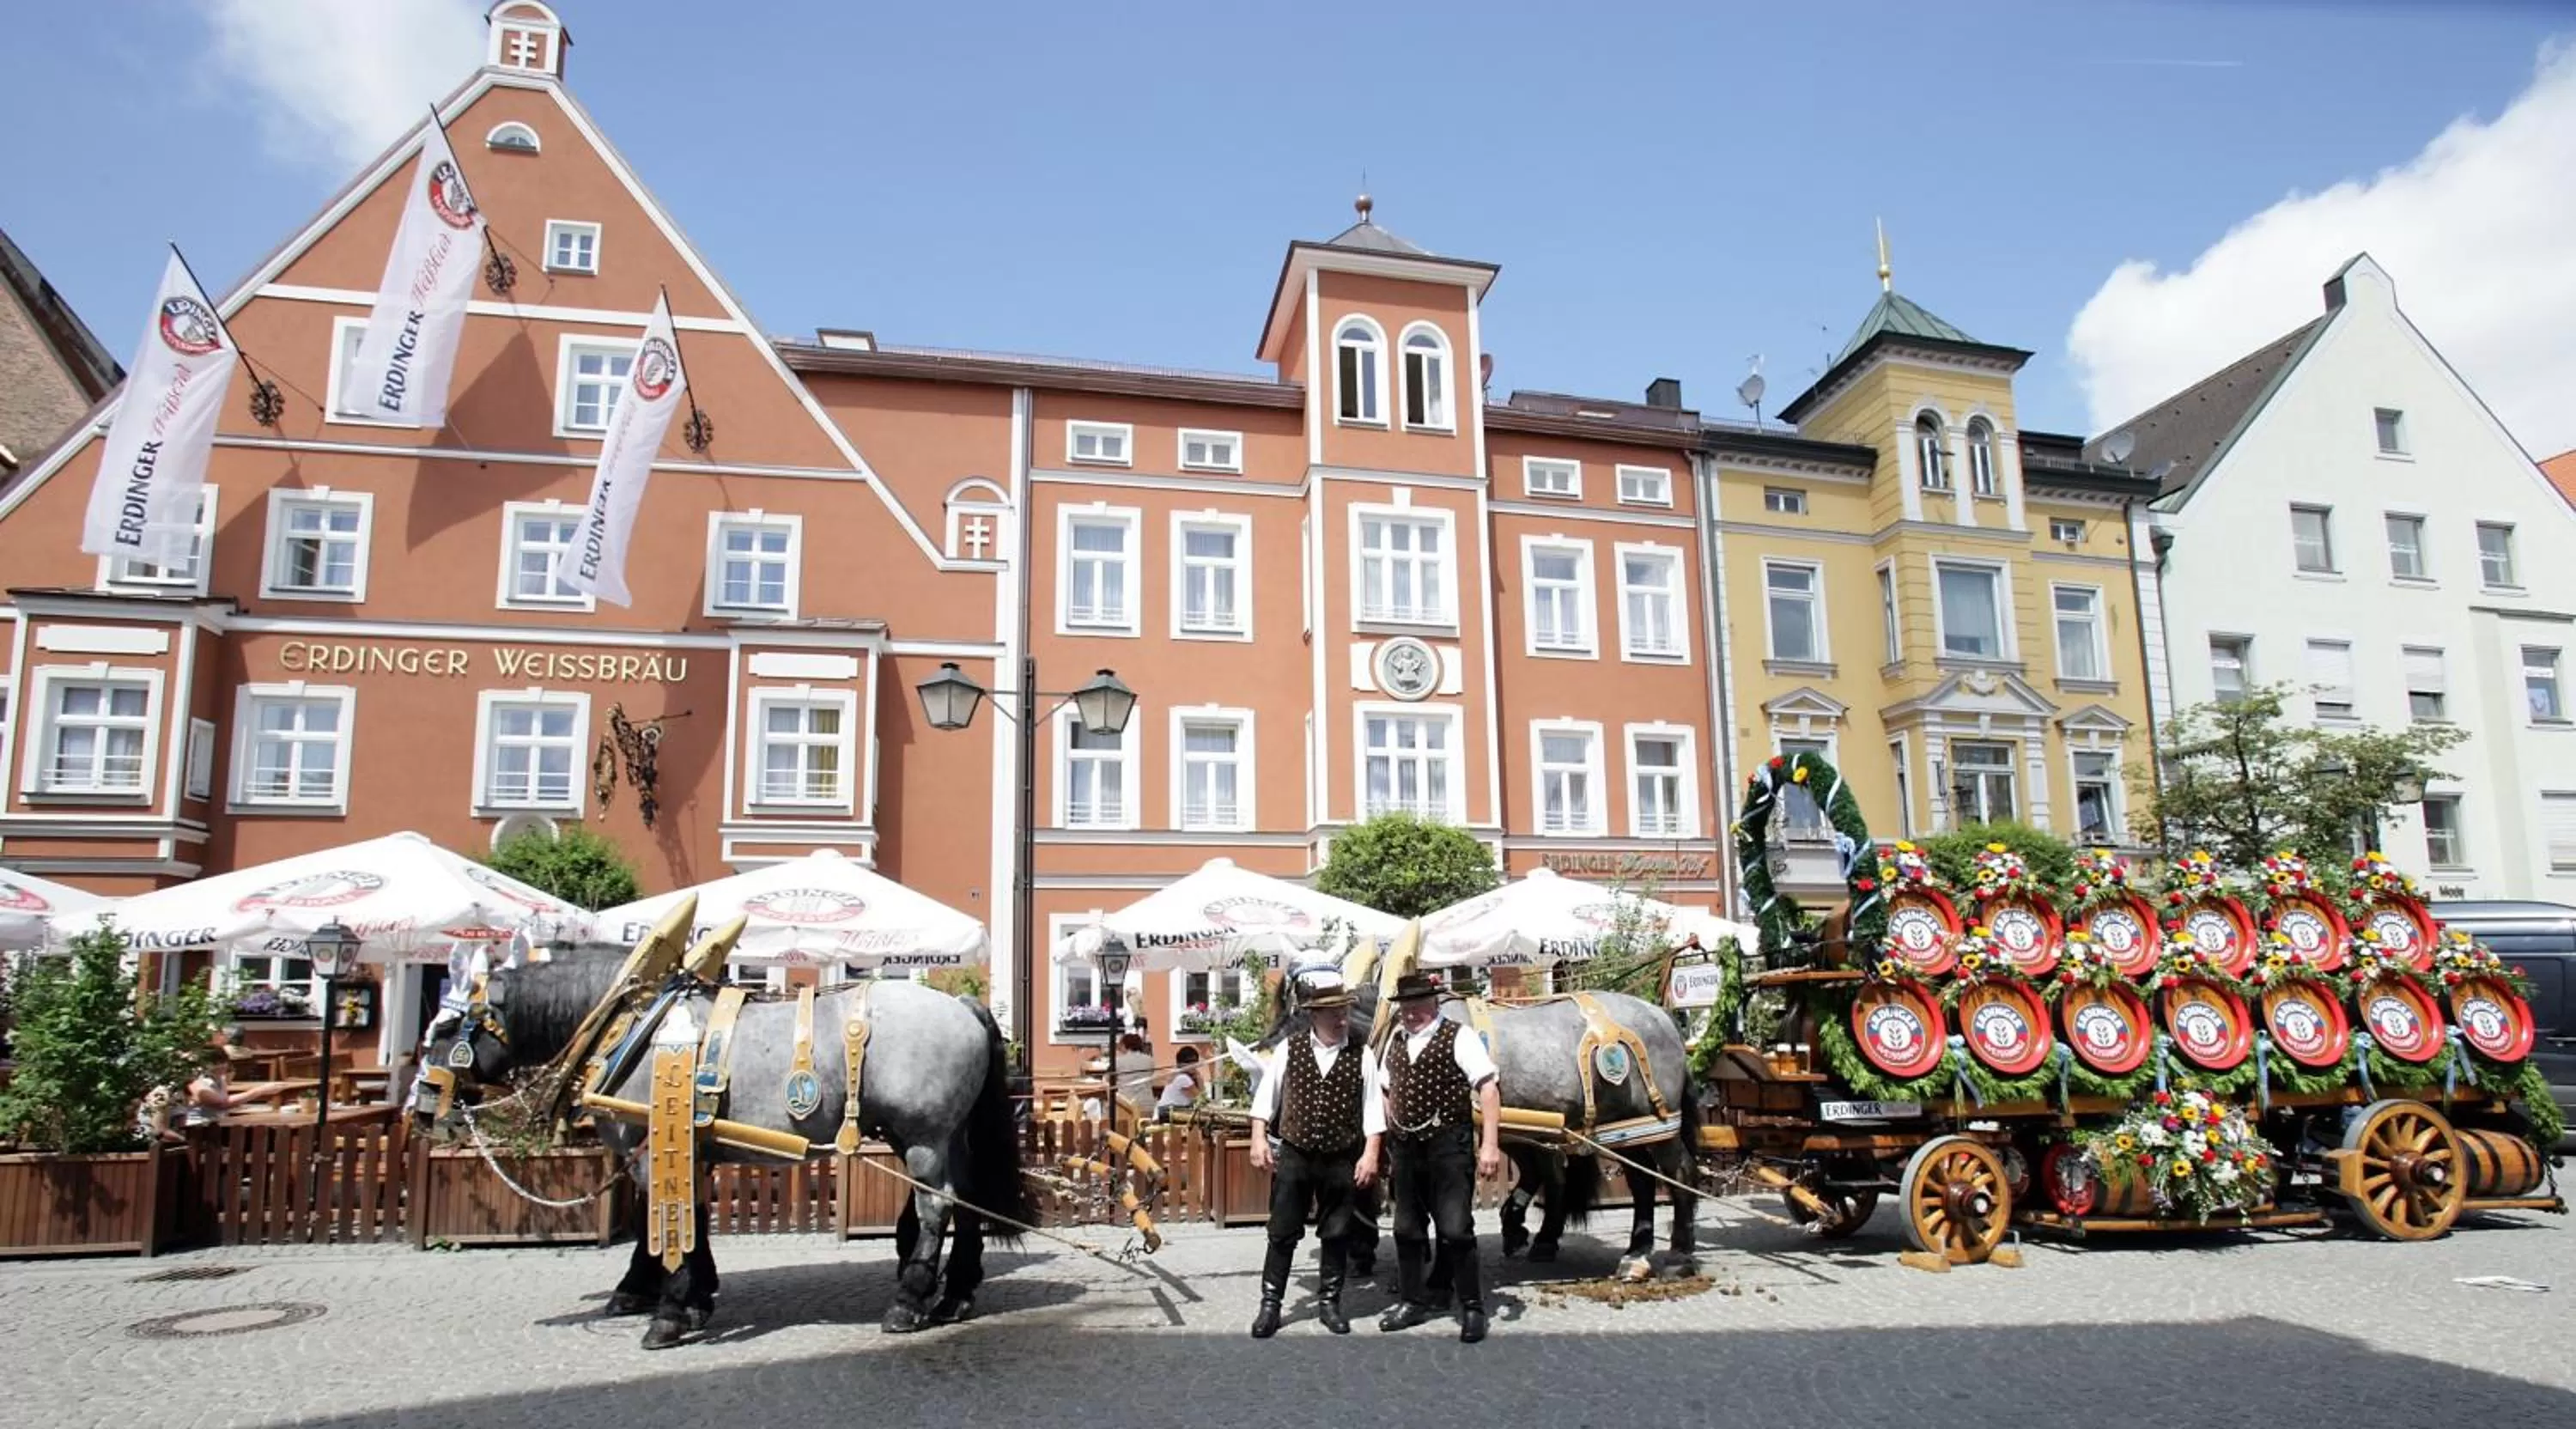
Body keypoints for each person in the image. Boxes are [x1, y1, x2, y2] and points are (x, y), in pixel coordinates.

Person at [1246, 970, 1382, 1338]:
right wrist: (1258, 1138)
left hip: (1341, 1156)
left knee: (1336, 1233)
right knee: (1282, 1231)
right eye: (1334, 1013)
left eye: (1344, 1012)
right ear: (1314, 1015)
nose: (1342, 1019)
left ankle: (1330, 1304)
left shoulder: (1362, 1053)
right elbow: (1266, 1099)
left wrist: (1371, 1154)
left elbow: (1373, 1110)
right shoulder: (1290, 1049)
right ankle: (1271, 1305)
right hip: (1296, 1154)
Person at [1376, 970, 1502, 1343]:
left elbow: (1488, 1089)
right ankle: (1412, 1302)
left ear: (1433, 1002)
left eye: (1417, 1004)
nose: (1410, 1012)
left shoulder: (1459, 1036)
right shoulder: (1396, 1040)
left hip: (1448, 1148)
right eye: (1405, 1006)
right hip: (1405, 1150)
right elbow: (1385, 1089)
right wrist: (1385, 1137)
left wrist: (1490, 1144)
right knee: (1406, 1229)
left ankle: (1473, 1307)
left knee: (1455, 1229)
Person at [1155, 1044, 1203, 1120]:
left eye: (1195, 1061)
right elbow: (1201, 1099)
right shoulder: (1183, 1078)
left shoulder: (1178, 1075)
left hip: (1168, 1113)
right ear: (1181, 1063)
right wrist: (1199, 1077)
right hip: (1168, 1115)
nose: (1193, 1065)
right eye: (1189, 1062)